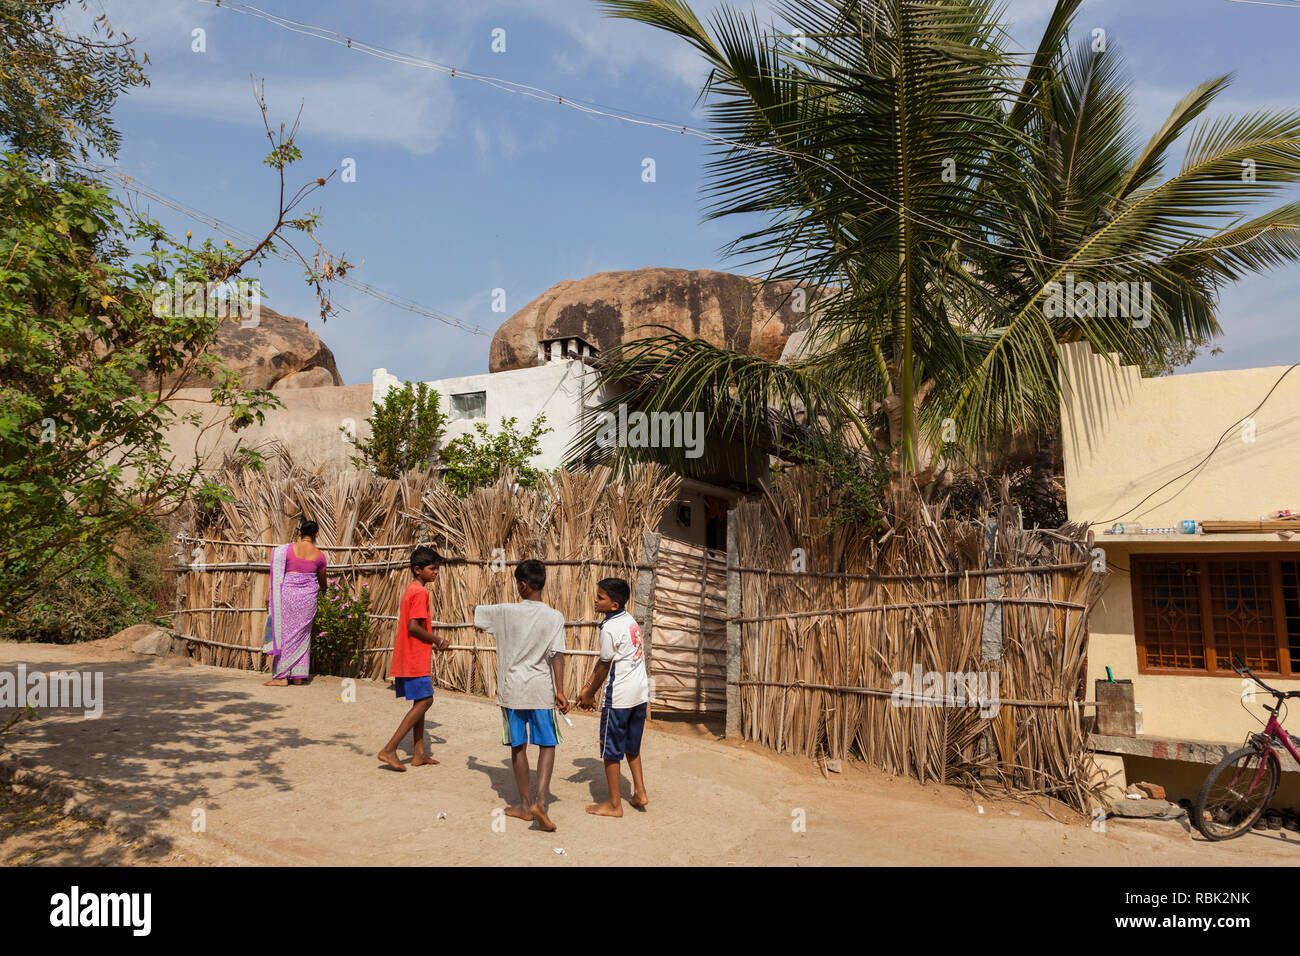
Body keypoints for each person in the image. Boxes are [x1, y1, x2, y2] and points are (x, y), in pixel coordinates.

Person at [474, 559, 568, 831]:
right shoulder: (555, 617)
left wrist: (481, 624)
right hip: (541, 690)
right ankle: (541, 800)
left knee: (518, 746)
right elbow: (557, 656)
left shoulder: (505, 612)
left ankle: (525, 805)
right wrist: (560, 691)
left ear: (523, 585)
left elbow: (476, 614)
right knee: (548, 744)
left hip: (512, 691)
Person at [574, 577, 650, 816]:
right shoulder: (629, 621)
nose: (595, 601)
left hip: (619, 698)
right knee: (632, 747)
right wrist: (587, 688)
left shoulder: (608, 628)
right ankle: (640, 792)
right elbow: (611, 659)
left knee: (610, 751)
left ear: (613, 605)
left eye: (600, 598)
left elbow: (605, 666)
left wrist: (589, 693)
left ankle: (614, 804)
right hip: (640, 693)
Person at [378, 546, 448, 772]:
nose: (436, 572)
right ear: (418, 569)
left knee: (421, 701)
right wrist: (437, 639)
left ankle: (418, 753)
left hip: (410, 655)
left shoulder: (411, 589)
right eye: (432, 568)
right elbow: (413, 627)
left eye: (437, 568)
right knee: (427, 700)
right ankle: (390, 748)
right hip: (415, 656)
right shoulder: (420, 593)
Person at [263, 519, 328, 686]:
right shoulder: (320, 556)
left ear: (299, 532)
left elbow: (280, 573)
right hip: (308, 599)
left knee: (285, 633)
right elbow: (323, 581)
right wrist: (324, 590)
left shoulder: (286, 551)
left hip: (288, 596)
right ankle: (298, 677)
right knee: (302, 635)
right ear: (316, 534)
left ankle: (282, 677)